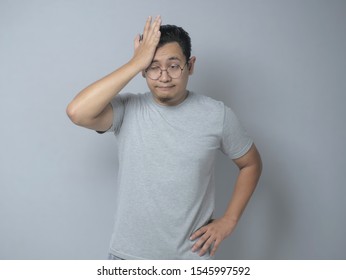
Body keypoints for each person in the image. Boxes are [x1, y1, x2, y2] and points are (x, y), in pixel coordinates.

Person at [66, 16, 262, 260]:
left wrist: (229, 220)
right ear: (143, 70)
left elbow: (251, 164)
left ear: (190, 66)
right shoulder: (127, 109)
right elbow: (77, 112)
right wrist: (135, 63)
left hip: (189, 260)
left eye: (173, 65)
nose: (164, 76)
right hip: (128, 259)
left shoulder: (216, 115)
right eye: (153, 66)